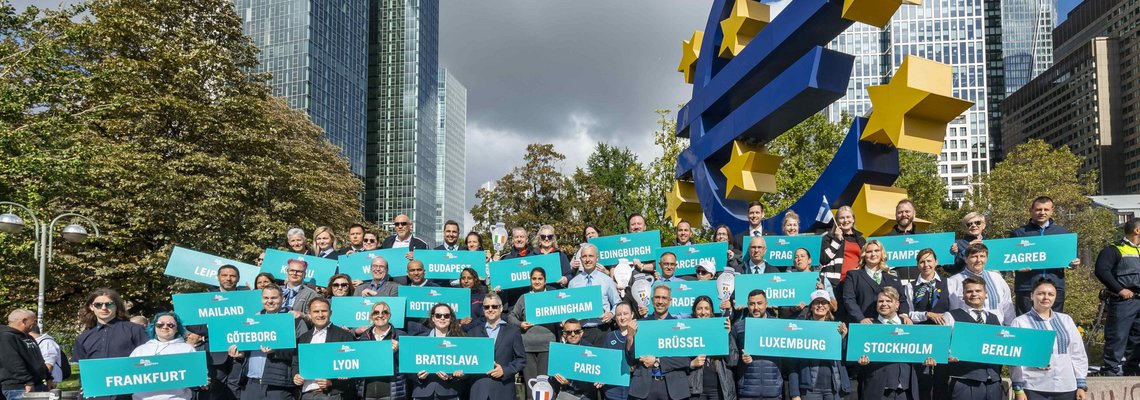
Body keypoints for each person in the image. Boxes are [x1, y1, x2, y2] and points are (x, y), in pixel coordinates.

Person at [1011, 279, 1088, 400]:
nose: (1046, 297)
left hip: (1066, 386)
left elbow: (1077, 353)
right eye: (1041, 293)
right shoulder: (1020, 322)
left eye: (1050, 294)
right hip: (1034, 386)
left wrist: (1081, 385)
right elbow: (1015, 358)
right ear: (1032, 295)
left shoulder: (1066, 320)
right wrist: (1018, 389)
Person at [854, 287, 934, 400]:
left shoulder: (910, 327)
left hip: (906, 392)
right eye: (880, 301)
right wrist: (860, 362)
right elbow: (854, 359)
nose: (884, 304)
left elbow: (919, 354)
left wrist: (926, 362)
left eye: (888, 301)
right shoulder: (868, 327)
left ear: (897, 305)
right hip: (877, 392)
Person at [184, 264, 246, 400]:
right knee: (215, 391)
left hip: (242, 352)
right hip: (215, 354)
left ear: (238, 278)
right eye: (224, 275)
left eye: (232, 276)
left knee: (238, 390)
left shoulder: (247, 297)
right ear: (218, 277)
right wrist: (215, 328)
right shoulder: (205, 298)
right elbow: (191, 323)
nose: (228, 279)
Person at [1010, 196, 1081, 314]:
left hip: (1055, 286)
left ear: (1052, 210)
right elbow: (1009, 260)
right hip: (1027, 287)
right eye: (1038, 209)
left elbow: (1070, 259)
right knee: (1025, 325)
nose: (1042, 213)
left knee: (1053, 324)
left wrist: (1074, 263)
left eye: (1046, 210)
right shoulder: (1019, 233)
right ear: (1031, 210)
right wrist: (1017, 267)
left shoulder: (1062, 233)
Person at [74, 288, 148, 400]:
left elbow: (147, 361)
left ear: (117, 306)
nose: (104, 308)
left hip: (128, 393)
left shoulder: (135, 330)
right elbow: (83, 370)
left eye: (109, 304)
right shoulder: (82, 338)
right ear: (91, 307)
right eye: (99, 304)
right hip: (95, 394)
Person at [232, 285, 302, 400]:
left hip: (277, 386)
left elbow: (299, 352)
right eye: (266, 298)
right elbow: (246, 350)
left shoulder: (293, 321)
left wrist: (276, 351)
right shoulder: (251, 320)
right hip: (250, 384)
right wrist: (240, 355)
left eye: (274, 298)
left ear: (283, 299)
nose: (269, 301)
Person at [941, 277, 1003, 400]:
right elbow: (942, 346)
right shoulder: (950, 316)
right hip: (964, 381)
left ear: (985, 294)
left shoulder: (995, 318)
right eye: (969, 291)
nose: (974, 294)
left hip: (993, 381)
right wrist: (947, 355)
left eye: (978, 291)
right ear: (963, 295)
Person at [628, 285, 692, 400]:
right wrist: (629, 337)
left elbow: (685, 360)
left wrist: (658, 361)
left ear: (670, 301)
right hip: (645, 386)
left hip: (673, 387)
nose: (660, 301)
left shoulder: (680, 326)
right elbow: (631, 359)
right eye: (657, 297)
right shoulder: (640, 325)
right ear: (652, 300)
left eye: (664, 298)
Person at [1095, 218, 1140, 376]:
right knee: (1118, 336)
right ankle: (1111, 371)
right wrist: (1120, 289)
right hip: (1124, 301)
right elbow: (1102, 271)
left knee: (1137, 338)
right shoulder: (1114, 249)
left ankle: (1132, 370)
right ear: (1137, 231)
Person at [507, 268, 559, 400]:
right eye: (534, 279)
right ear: (530, 280)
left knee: (546, 386)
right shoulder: (524, 298)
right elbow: (511, 317)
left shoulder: (553, 297)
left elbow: (562, 315)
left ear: (545, 280)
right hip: (527, 347)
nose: (537, 281)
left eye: (540, 278)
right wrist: (520, 324)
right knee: (531, 387)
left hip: (547, 347)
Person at [788, 292, 851, 400]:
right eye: (816, 302)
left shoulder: (837, 328)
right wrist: (795, 393)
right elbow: (793, 364)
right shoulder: (801, 329)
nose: (820, 305)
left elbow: (846, 359)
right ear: (811, 307)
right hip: (810, 389)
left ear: (828, 307)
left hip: (834, 388)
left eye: (824, 302)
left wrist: (843, 338)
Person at [291, 298, 356, 399]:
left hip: (333, 395)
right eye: (316, 311)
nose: (320, 315)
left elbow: (352, 367)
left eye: (324, 311)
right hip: (307, 394)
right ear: (310, 314)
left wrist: (331, 382)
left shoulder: (344, 336)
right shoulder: (303, 338)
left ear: (330, 313)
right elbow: (296, 363)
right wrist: (296, 376)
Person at [467, 294, 526, 400]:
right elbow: (467, 361)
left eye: (494, 306)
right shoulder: (472, 333)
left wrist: (505, 370)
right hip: (479, 390)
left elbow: (521, 360)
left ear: (501, 308)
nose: (490, 309)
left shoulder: (513, 331)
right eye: (487, 307)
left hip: (503, 390)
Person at [731, 289, 786, 400]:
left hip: (773, 390)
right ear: (747, 305)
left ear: (766, 304)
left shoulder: (779, 326)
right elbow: (732, 358)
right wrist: (742, 359)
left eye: (759, 303)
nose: (756, 307)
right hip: (747, 390)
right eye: (752, 304)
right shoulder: (738, 327)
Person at [129, 312, 196, 400]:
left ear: (177, 328)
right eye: (160, 324)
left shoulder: (187, 349)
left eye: (170, 324)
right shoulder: (140, 350)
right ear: (154, 327)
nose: (165, 327)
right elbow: (128, 374)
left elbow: (196, 375)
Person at [842, 240, 911, 324]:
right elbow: (849, 300)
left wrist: (904, 315)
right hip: (862, 326)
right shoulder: (853, 276)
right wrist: (861, 319)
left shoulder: (893, 276)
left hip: (888, 326)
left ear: (882, 253)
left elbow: (902, 299)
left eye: (876, 251)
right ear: (864, 255)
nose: (873, 254)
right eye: (869, 251)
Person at [946, 243, 1015, 325]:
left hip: (996, 331)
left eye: (982, 256)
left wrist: (1009, 328)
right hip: (965, 330)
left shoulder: (997, 278)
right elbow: (951, 309)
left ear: (987, 258)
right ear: (965, 259)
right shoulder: (953, 281)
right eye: (974, 256)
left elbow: (1008, 307)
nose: (979, 260)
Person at [566, 244, 622, 345]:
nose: (587, 260)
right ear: (581, 259)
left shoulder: (607, 280)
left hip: (603, 330)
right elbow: (569, 308)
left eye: (591, 256)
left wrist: (611, 314)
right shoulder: (573, 283)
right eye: (584, 256)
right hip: (581, 333)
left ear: (597, 258)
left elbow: (618, 303)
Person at [409, 304, 465, 400]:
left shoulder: (460, 341)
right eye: (438, 315)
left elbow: (469, 366)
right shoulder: (419, 339)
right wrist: (417, 376)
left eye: (446, 315)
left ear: (451, 318)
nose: (442, 318)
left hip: (449, 393)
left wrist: (453, 376)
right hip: (422, 392)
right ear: (433, 318)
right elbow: (408, 366)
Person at [687, 296, 737, 400]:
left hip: (720, 389)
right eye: (699, 308)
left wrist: (726, 335)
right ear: (694, 311)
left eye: (706, 308)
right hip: (696, 390)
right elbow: (681, 361)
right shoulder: (687, 331)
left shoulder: (722, 328)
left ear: (711, 311)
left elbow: (733, 361)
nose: (703, 312)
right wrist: (692, 363)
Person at [358, 301, 405, 400]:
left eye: (384, 312)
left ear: (389, 315)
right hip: (368, 392)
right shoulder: (364, 336)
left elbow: (408, 363)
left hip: (390, 392)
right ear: (371, 316)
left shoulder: (401, 336)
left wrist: (398, 352)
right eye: (376, 312)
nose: (380, 315)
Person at [1, 309, 49, 399]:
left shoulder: (29, 337)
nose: (35, 324)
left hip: (37, 385)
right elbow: (12, 362)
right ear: (24, 321)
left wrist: (49, 377)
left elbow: (38, 359)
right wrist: (27, 381)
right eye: (34, 321)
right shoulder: (6, 337)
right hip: (18, 388)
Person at [553, 319, 603, 400]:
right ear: (564, 334)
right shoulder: (559, 350)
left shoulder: (590, 350)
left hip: (587, 393)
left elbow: (593, 381)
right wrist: (558, 378)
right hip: (567, 391)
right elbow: (552, 375)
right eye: (569, 332)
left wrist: (570, 382)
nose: (573, 334)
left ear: (581, 333)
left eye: (576, 331)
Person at [819, 206, 865, 288]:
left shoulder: (861, 239)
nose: (845, 220)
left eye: (848, 217)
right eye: (842, 218)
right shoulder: (828, 238)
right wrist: (837, 240)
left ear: (853, 219)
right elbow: (824, 259)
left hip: (856, 281)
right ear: (837, 221)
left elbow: (865, 261)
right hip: (834, 283)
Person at [903, 249, 949, 325]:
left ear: (936, 262)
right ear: (917, 265)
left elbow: (955, 310)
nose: (926, 265)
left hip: (945, 329)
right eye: (922, 262)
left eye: (929, 261)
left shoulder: (949, 283)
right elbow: (909, 314)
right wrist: (926, 315)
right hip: (921, 330)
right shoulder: (910, 286)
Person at [599, 303, 635, 400]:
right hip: (613, 391)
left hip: (634, 391)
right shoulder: (609, 336)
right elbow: (603, 363)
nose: (622, 317)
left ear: (632, 315)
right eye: (619, 314)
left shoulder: (641, 334)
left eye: (625, 313)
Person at [883, 199, 925, 282]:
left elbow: (938, 262)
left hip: (920, 285)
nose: (904, 214)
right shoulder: (884, 241)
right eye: (900, 212)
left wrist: (951, 250)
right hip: (893, 287)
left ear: (914, 213)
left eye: (907, 211)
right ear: (895, 215)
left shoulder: (926, 238)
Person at [27, 325, 62, 390]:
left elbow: (49, 364)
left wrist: (46, 379)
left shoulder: (46, 343)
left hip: (47, 382)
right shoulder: (38, 342)